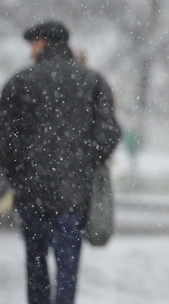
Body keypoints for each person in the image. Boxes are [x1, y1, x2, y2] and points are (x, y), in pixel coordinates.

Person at [0, 21, 121, 304]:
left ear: (42, 43)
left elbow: (4, 138)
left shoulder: (20, 82)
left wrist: (17, 170)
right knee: (68, 266)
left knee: (36, 264)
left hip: (31, 192)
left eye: (32, 44)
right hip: (73, 193)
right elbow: (109, 134)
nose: (30, 51)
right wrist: (84, 159)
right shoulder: (92, 82)